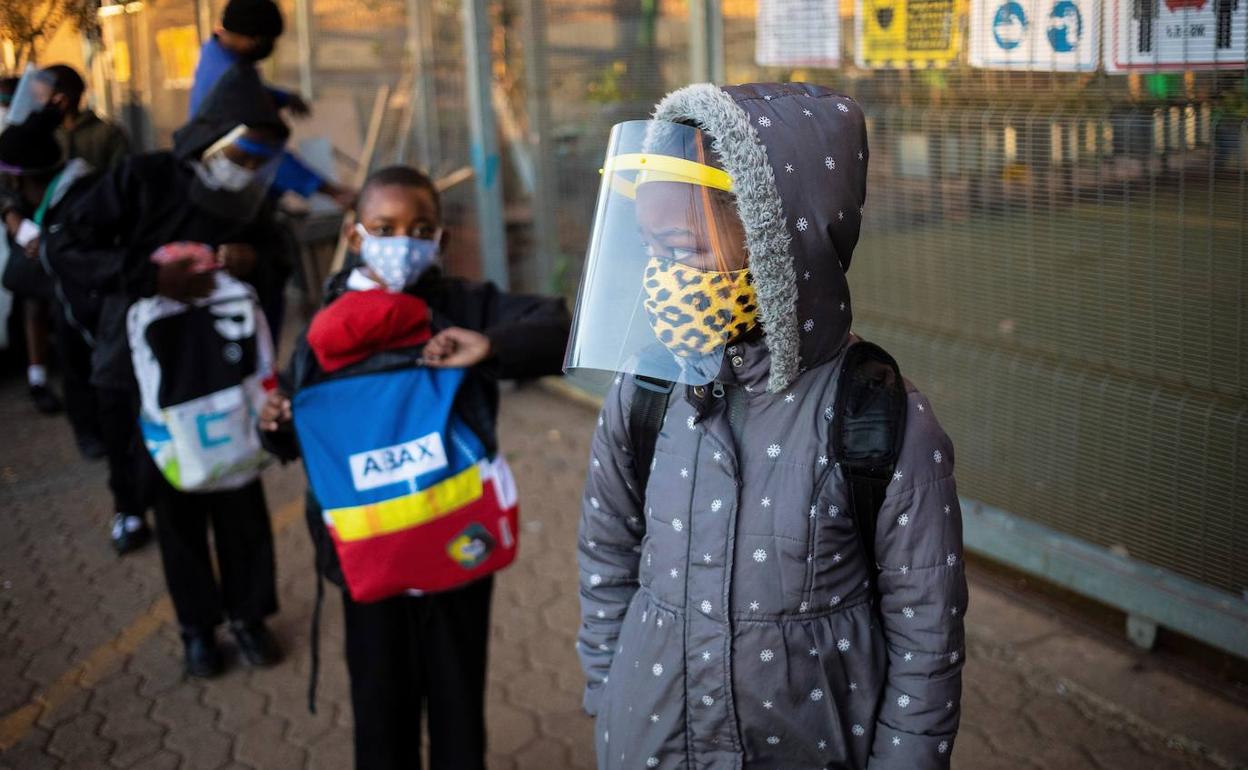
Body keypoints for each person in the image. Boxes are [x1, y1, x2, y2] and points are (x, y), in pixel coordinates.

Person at [570, 83, 968, 770]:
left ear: (782, 247)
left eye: (685, 251)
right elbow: (607, 553)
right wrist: (610, 690)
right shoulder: (648, 391)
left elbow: (927, 634)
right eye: (651, 252)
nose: (662, 279)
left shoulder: (878, 419)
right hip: (650, 735)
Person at [258, 165, 570, 770]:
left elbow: (558, 327)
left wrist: (491, 346)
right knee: (381, 707)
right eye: (385, 227)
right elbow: (299, 434)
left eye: (420, 228)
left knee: (459, 704)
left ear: (439, 241)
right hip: (367, 553)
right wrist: (273, 425)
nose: (403, 241)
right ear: (355, 236)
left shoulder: (461, 305)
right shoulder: (329, 326)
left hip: (457, 546)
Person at [60, 63, 290, 673]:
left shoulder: (247, 204)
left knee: (240, 493)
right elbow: (66, 247)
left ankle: (248, 617)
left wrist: (254, 260)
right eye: (240, 152)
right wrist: (145, 278)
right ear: (209, 136)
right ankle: (197, 629)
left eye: (258, 160)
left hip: (230, 373)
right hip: (155, 376)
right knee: (177, 498)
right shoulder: (141, 179)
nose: (245, 169)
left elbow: (280, 258)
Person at [189, 0, 353, 208]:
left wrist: (282, 97)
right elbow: (267, 157)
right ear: (251, 40)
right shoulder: (237, 83)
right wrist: (332, 191)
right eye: (264, 40)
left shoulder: (214, 52)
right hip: (227, 195)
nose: (267, 47)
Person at [0, 111, 65, 416]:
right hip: (32, 238)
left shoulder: (50, 144)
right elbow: (7, 195)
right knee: (34, 305)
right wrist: (20, 225)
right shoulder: (16, 142)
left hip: (59, 230)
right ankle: (37, 379)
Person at [31, 64, 129, 172]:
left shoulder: (108, 134)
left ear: (61, 100)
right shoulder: (40, 135)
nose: (34, 103)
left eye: (39, 96)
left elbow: (122, 179)